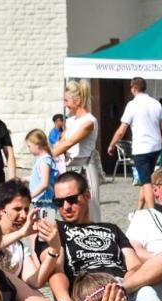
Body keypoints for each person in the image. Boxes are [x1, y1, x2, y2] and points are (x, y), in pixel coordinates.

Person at [37, 170, 162, 301]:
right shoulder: (55, 230)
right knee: (145, 292)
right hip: (88, 293)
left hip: (123, 289)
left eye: (72, 200)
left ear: (87, 195)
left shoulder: (111, 228)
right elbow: (55, 272)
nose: (65, 207)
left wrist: (123, 286)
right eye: (59, 202)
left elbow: (134, 266)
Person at [106, 78, 162, 212]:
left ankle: (152, 213)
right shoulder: (156, 104)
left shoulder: (132, 105)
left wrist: (111, 144)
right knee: (146, 177)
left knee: (146, 181)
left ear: (133, 88)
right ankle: (139, 209)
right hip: (156, 147)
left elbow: (121, 131)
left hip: (141, 148)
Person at [51, 80, 103, 221]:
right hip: (69, 168)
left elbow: (69, 142)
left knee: (90, 208)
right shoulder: (71, 120)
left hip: (85, 169)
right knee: (68, 208)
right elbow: (61, 142)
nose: (64, 104)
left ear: (78, 100)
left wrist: (47, 156)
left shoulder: (89, 121)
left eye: (66, 100)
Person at [25, 129, 56, 211]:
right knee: (39, 223)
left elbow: (44, 183)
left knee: (47, 222)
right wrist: (24, 178)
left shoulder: (44, 161)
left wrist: (30, 196)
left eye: (29, 146)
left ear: (37, 144)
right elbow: (38, 177)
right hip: (40, 201)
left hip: (46, 202)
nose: (29, 149)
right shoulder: (40, 160)